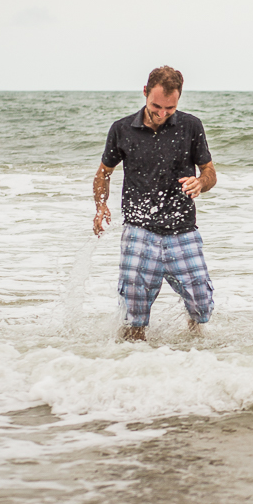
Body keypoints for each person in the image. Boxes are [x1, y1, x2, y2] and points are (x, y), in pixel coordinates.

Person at [92, 66, 217, 340]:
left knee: (202, 306)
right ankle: (133, 358)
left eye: (170, 108)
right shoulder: (122, 129)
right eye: (156, 106)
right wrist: (101, 206)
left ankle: (194, 346)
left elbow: (209, 172)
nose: (162, 114)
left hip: (182, 229)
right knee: (133, 315)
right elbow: (103, 173)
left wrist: (200, 182)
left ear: (179, 98)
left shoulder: (191, 126)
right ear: (145, 93)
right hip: (139, 230)